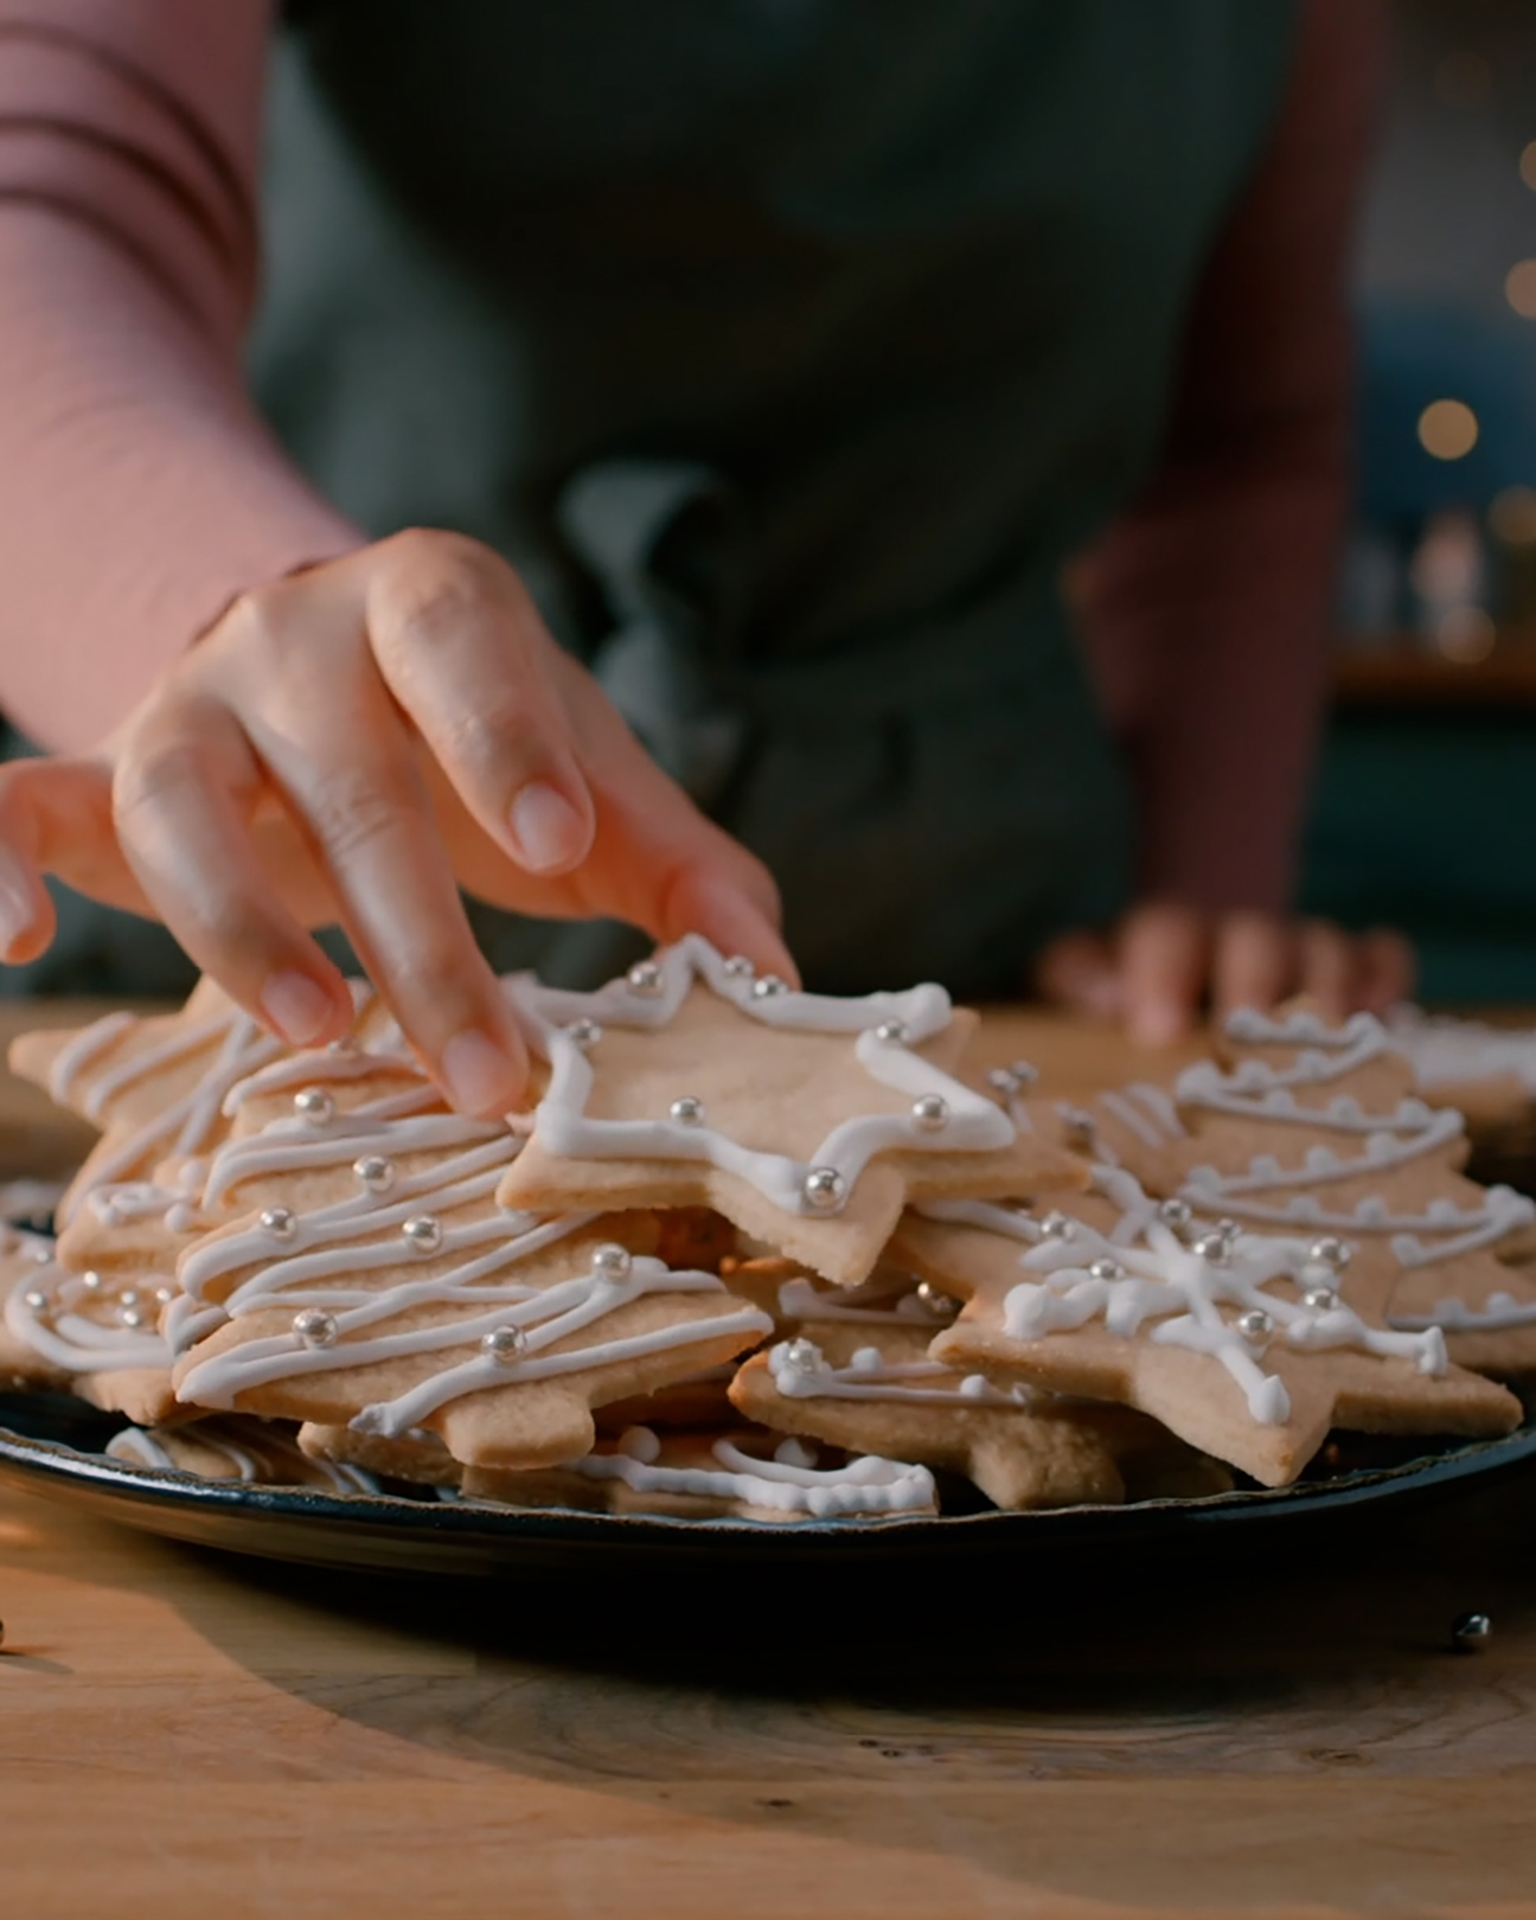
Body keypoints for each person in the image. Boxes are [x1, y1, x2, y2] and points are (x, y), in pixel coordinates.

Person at [0, 0, 1411, 1117]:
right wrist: (233, 607)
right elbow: (44, 205)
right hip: (294, 924)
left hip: (990, 968)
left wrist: (1198, 900)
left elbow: (1245, 444)